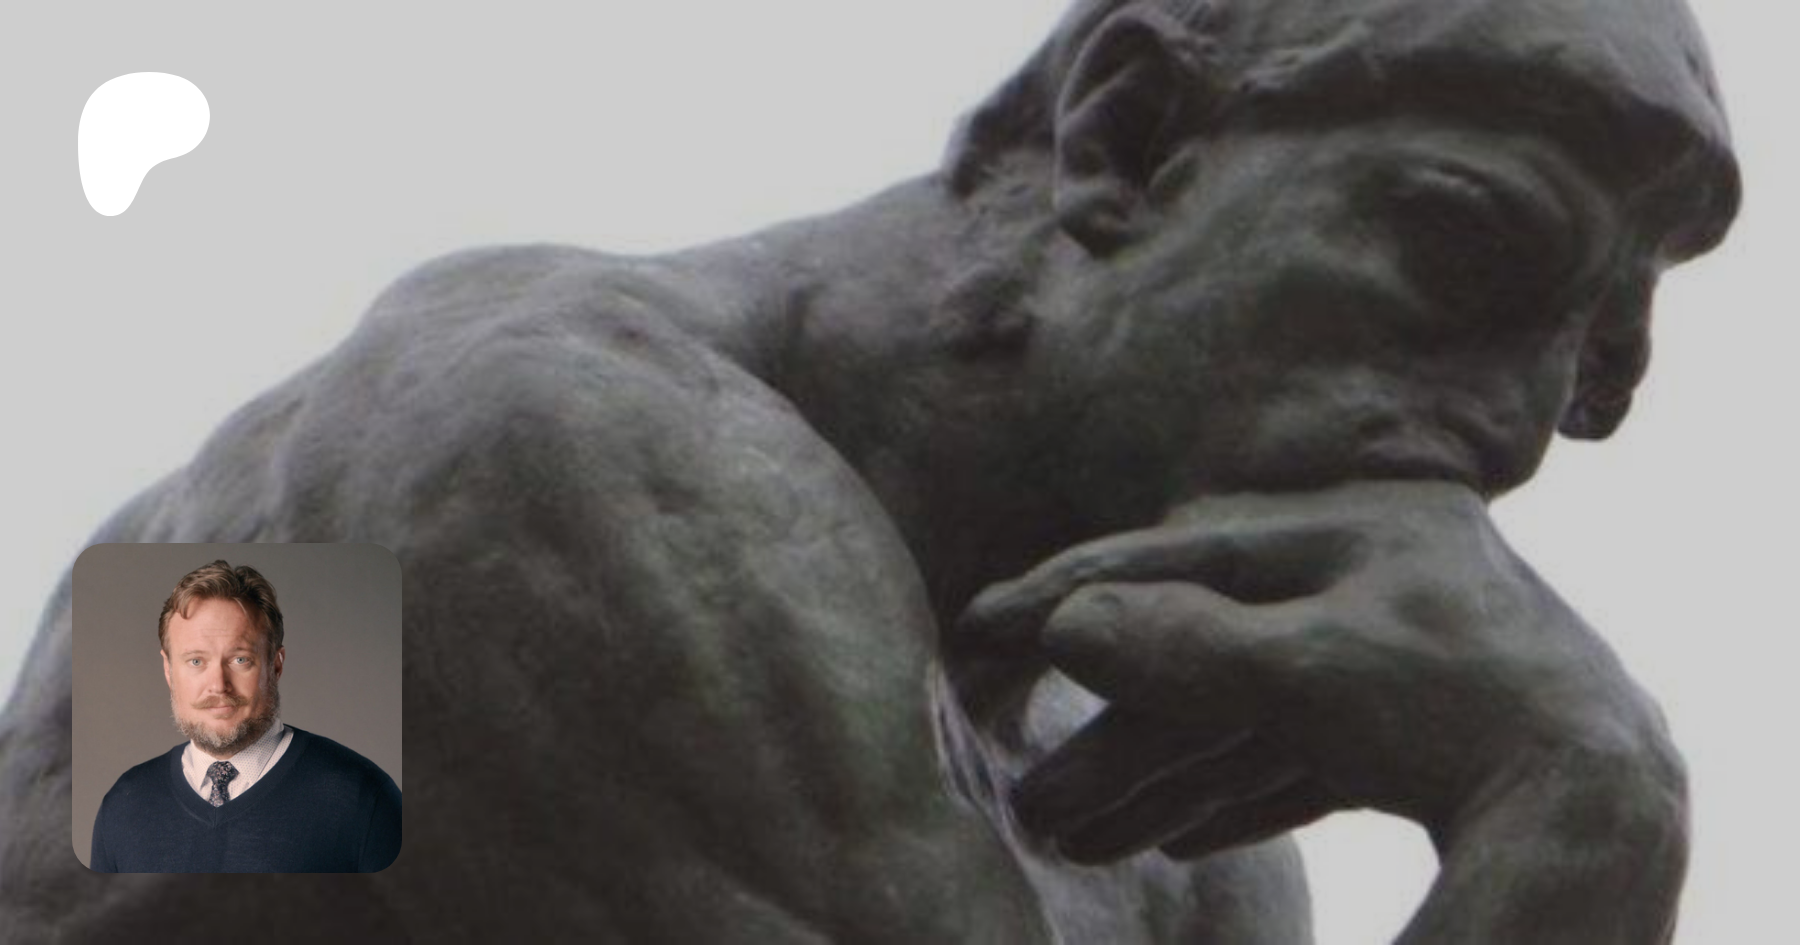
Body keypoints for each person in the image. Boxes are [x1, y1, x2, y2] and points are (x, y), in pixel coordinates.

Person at [0, 0, 1737, 940]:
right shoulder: (522, 442)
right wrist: (1579, 818)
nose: (1514, 434)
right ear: (1127, 138)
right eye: (1466, 252)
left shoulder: (1159, 834)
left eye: (1593, 376)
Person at [86, 560, 401, 873]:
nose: (218, 685)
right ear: (168, 670)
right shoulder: (124, 805)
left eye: (240, 659)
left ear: (275, 665)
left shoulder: (363, 800)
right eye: (196, 661)